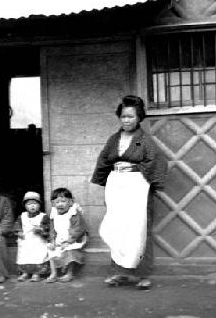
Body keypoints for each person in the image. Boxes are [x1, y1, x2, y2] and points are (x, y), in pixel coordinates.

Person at [91, 95, 167, 289]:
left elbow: (157, 161)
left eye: (131, 117)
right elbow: (104, 160)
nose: (126, 120)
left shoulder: (145, 140)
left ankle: (143, 275)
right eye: (123, 116)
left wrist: (152, 183)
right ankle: (119, 273)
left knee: (139, 228)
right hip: (117, 184)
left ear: (139, 117)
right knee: (118, 227)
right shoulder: (113, 139)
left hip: (137, 185)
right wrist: (103, 179)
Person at [46, 188, 88, 283]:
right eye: (57, 202)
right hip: (59, 238)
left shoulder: (73, 213)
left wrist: (69, 241)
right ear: (53, 203)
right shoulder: (54, 214)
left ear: (71, 202)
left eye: (63, 201)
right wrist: (52, 240)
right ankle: (54, 273)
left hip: (73, 238)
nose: (60, 204)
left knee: (70, 250)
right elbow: (52, 229)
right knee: (51, 250)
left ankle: (69, 273)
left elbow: (78, 228)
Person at [14, 191, 50, 282]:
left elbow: (47, 228)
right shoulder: (22, 216)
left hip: (38, 241)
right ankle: (25, 273)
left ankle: (36, 273)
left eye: (35, 203)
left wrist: (41, 229)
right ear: (25, 206)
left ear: (39, 205)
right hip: (26, 240)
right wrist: (19, 232)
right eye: (29, 204)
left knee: (38, 256)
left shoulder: (43, 216)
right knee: (25, 257)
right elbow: (17, 225)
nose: (32, 206)